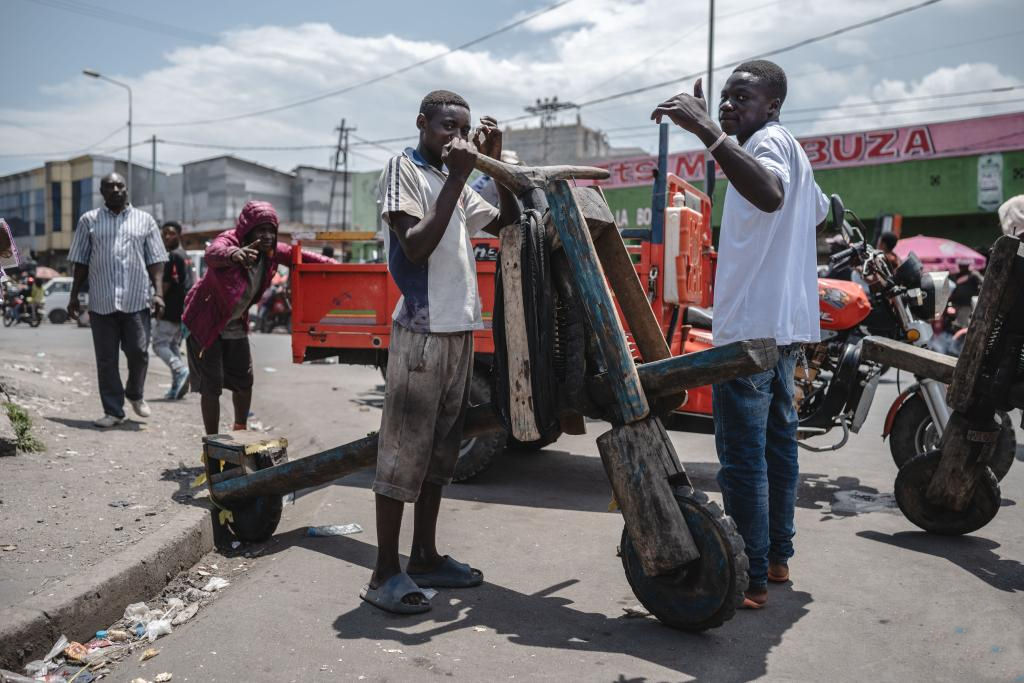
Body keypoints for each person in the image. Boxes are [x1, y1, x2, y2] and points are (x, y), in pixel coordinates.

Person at [652, 60, 828, 609]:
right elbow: (818, 212)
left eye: (742, 97)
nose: (729, 105)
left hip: (751, 333)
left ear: (773, 106)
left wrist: (709, 130)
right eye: (725, 97)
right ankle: (774, 559)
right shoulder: (789, 148)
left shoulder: (769, 144)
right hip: (781, 329)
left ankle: (748, 575)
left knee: (745, 458)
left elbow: (770, 194)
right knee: (777, 450)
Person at [362, 90, 519, 615]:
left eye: (464, 130)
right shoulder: (404, 170)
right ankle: (385, 571)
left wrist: (493, 165)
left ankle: (425, 555)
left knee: (439, 455)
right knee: (402, 456)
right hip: (422, 333)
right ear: (422, 124)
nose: (456, 137)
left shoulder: (456, 179)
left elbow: (507, 222)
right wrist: (459, 176)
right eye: (447, 127)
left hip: (459, 332)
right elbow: (414, 246)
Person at [182, 200, 335, 435]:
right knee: (211, 387)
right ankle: (212, 442)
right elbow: (213, 252)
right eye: (260, 230)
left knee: (244, 382)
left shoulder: (272, 253)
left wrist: (337, 267)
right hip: (207, 322)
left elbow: (302, 256)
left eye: (271, 231)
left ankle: (239, 432)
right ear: (247, 230)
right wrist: (235, 254)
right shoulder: (230, 241)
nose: (267, 236)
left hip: (235, 324)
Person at [67, 172, 167, 428]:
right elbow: (80, 261)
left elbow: (156, 260)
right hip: (101, 301)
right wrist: (74, 295)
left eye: (119, 185)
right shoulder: (89, 220)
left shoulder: (145, 220)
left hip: (136, 300)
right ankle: (113, 411)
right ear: (102, 191)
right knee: (106, 360)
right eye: (109, 186)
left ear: (126, 188)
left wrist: (158, 293)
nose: (115, 189)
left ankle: (135, 393)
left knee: (139, 352)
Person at [152, 221, 192, 399]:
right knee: (173, 345)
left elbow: (166, 284)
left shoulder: (173, 256)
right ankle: (177, 385)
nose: (167, 237)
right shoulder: (185, 255)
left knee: (159, 344)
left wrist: (158, 301)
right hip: (183, 309)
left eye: (171, 233)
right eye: (164, 234)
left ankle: (181, 370)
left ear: (179, 235)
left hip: (171, 308)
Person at [949, 258, 983, 328]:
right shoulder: (956, 275)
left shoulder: (973, 275)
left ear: (968, 265)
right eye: (961, 265)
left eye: (964, 266)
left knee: (961, 324)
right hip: (954, 303)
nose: (962, 267)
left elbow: (983, 282)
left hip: (966, 304)